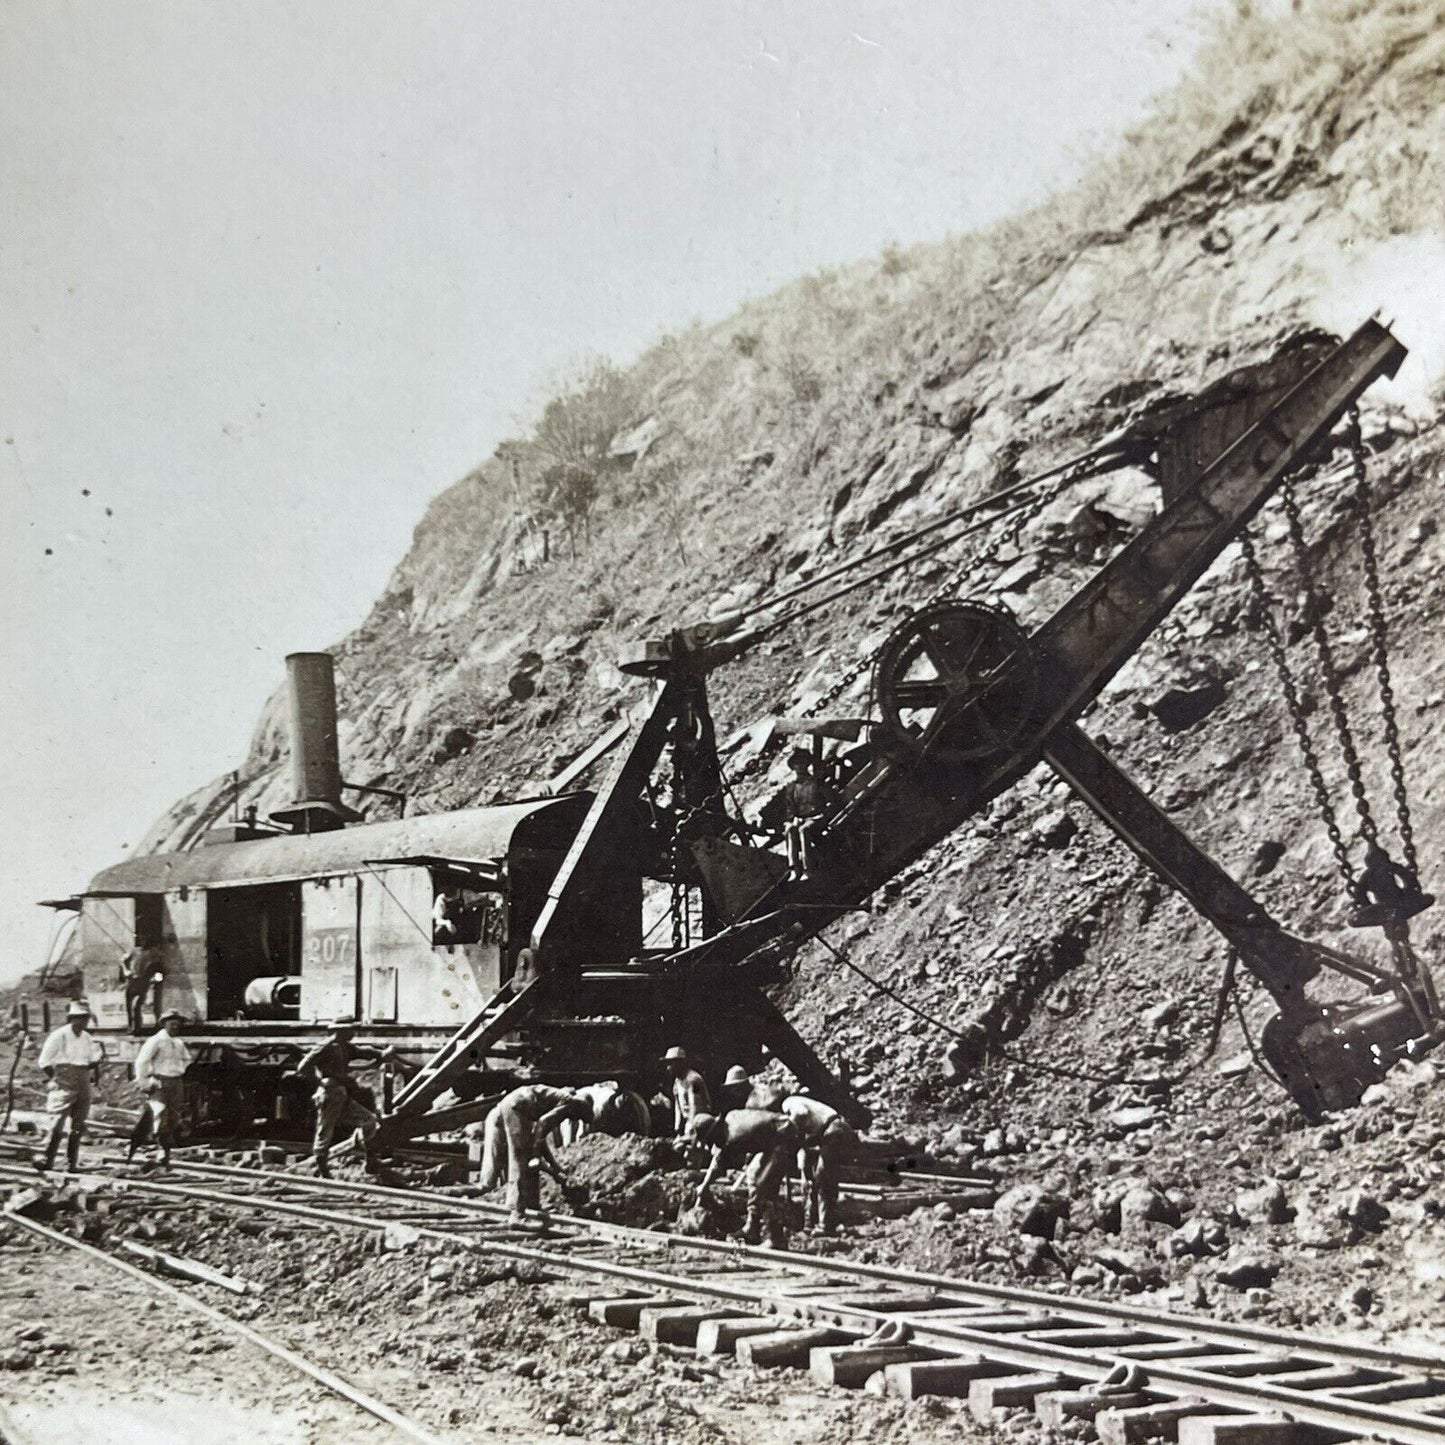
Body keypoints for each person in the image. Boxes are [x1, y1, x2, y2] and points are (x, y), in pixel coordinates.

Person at [477, 1084, 596, 1219]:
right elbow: (542, 1124)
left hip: (517, 1105)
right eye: (580, 1117)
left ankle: (532, 1205)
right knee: (520, 1158)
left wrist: (555, 1168)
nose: (575, 1120)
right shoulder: (570, 1104)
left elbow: (540, 1137)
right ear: (582, 1109)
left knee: (525, 1156)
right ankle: (517, 1212)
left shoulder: (558, 1101)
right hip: (517, 1106)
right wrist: (535, 1154)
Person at [293, 1019, 393, 1177]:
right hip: (330, 1094)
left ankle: (371, 1161)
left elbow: (362, 1051)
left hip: (342, 1094)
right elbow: (303, 1067)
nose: (353, 1033)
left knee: (369, 1121)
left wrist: (381, 1054)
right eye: (350, 1030)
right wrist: (322, 1081)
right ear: (340, 1031)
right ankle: (322, 1168)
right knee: (325, 1129)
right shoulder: (326, 1047)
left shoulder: (345, 1046)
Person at [687, 1107, 801, 1246]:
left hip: (786, 1138)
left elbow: (721, 1162)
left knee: (762, 1184)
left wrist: (705, 1185)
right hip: (776, 1136)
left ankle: (775, 1238)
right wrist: (704, 1185)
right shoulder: (730, 1117)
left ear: (714, 1133)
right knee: (753, 1174)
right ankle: (752, 1228)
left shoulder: (735, 1137)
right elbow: (720, 1156)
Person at [36, 1002, 105, 1173]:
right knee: (57, 1120)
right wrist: (56, 1078)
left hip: (82, 1077)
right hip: (64, 1076)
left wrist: (97, 1060)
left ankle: (71, 1162)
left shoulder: (87, 1037)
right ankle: (47, 1158)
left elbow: (90, 1060)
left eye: (85, 1018)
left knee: (78, 1123)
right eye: (79, 1018)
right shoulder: (59, 1035)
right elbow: (44, 1061)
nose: (83, 1022)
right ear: (71, 1019)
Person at [780, 1093, 857, 1234]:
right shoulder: (808, 1121)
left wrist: (789, 1127)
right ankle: (813, 1222)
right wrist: (803, 1175)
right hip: (831, 1132)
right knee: (818, 1177)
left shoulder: (789, 1103)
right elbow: (803, 1150)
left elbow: (801, 1113)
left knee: (822, 1176)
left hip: (835, 1128)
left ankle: (825, 1226)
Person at [128, 1010, 193, 1165]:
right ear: (164, 1023)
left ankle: (166, 1153)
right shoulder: (156, 1041)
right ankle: (160, 1150)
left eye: (177, 1024)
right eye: (172, 1024)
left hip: (176, 1082)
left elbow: (187, 1059)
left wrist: (179, 1070)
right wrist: (144, 1081)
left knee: (174, 1116)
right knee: (160, 1115)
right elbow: (142, 1061)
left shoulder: (178, 1043)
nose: (175, 1027)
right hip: (160, 1082)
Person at [776, 749, 837, 877]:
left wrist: (823, 814)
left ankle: (807, 869)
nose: (800, 766)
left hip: (817, 818)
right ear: (793, 767)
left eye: (803, 762)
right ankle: (794, 868)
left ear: (807, 764)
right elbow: (790, 809)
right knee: (791, 829)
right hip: (801, 819)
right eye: (797, 764)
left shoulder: (817, 782)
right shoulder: (791, 787)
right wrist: (789, 821)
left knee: (804, 830)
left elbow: (832, 800)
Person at [659, 1046, 710, 1136]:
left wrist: (691, 1129)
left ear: (679, 1063)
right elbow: (678, 1105)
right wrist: (677, 1128)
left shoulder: (694, 1080)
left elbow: (695, 1106)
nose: (668, 1068)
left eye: (670, 1064)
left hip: (701, 1123)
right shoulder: (677, 1081)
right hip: (689, 1122)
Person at [120, 944, 165, 1035]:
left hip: (144, 982)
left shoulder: (153, 951)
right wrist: (125, 971)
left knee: (137, 1005)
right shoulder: (134, 951)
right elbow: (122, 960)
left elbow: (159, 966)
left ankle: (137, 1027)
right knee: (129, 1005)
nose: (143, 940)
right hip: (132, 981)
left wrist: (155, 978)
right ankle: (132, 1027)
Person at [717, 1064, 785, 1113]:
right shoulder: (754, 1093)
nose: (731, 1091)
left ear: (740, 1086)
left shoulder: (752, 1103)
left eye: (733, 1087)